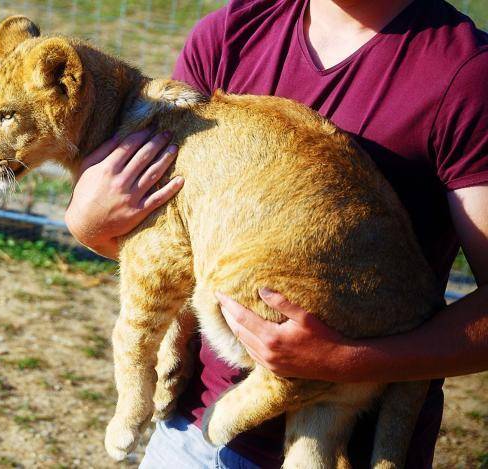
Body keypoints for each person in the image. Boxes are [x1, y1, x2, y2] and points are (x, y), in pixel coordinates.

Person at [64, 0, 488, 466]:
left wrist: (350, 360)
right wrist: (87, 223)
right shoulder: (230, 33)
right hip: (193, 429)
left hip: (355, 434)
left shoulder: (468, 75)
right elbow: (170, 240)